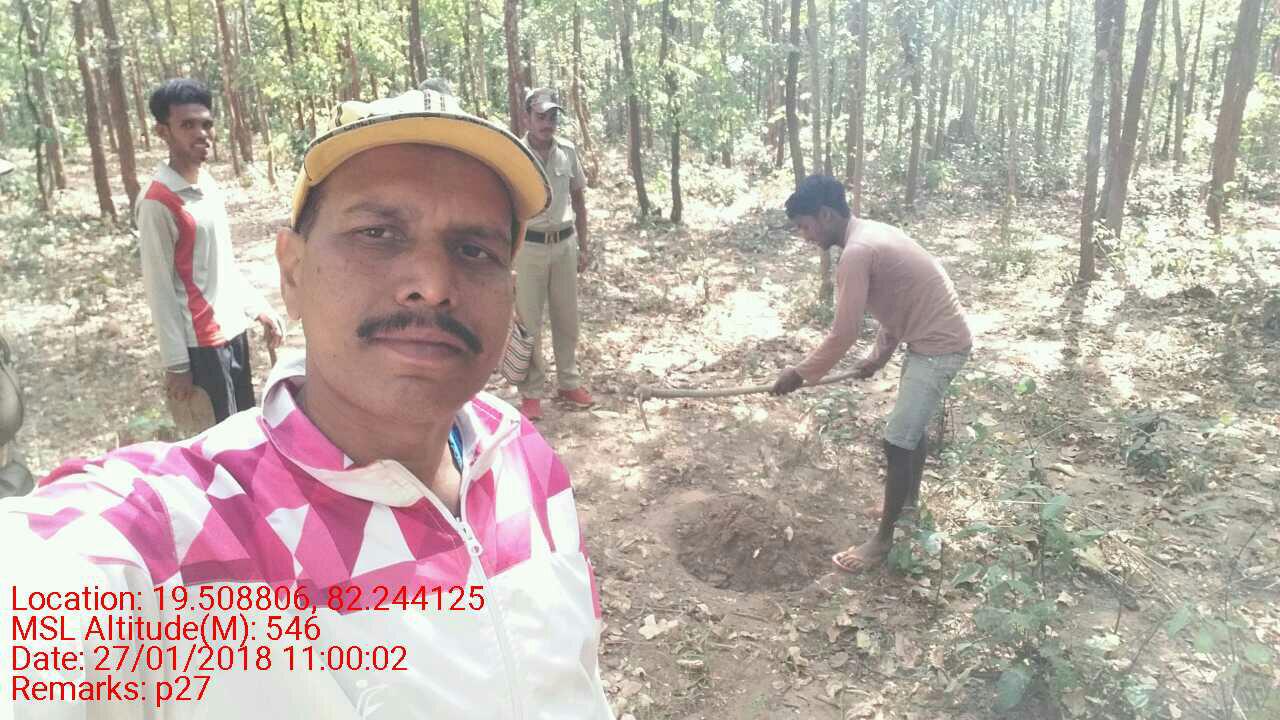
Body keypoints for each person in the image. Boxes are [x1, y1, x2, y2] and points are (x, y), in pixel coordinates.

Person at [1, 88, 613, 718]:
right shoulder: (172, 540)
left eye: (474, 250)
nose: (432, 285)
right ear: (292, 271)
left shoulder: (523, 459)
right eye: (377, 234)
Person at [770, 175, 972, 573]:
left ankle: (883, 542)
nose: (804, 237)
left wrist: (800, 374)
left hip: (939, 346)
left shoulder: (857, 252)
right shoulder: (869, 235)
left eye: (805, 226)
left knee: (897, 443)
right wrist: (878, 358)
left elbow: (843, 334)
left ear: (825, 216)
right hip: (932, 340)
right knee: (910, 431)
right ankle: (907, 507)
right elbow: (899, 305)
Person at [136, 79, 283, 427]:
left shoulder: (207, 185)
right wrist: (177, 365)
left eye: (206, 124)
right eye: (187, 125)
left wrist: (258, 308)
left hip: (233, 333)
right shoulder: (158, 201)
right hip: (199, 347)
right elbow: (159, 290)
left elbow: (222, 264)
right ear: (163, 132)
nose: (201, 134)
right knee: (217, 441)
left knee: (245, 429)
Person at [514, 87, 594, 420]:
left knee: (566, 317)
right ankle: (531, 392)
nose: (548, 123)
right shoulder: (514, 154)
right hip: (528, 247)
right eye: (541, 116)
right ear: (527, 118)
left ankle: (568, 382)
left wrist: (584, 246)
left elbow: (579, 200)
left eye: (553, 117)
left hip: (564, 244)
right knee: (528, 321)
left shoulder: (568, 152)